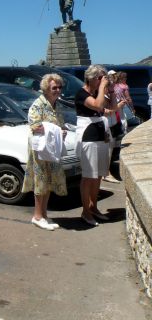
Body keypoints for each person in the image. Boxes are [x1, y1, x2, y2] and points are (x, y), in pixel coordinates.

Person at [21, 73, 68, 231]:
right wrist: (55, 130)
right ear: (46, 89)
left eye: (59, 87)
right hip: (41, 149)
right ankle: (37, 216)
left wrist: (62, 131)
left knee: (49, 181)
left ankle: (44, 214)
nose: (58, 90)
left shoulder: (57, 104)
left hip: (52, 148)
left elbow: (60, 124)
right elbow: (35, 126)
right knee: (40, 181)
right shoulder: (38, 104)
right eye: (54, 87)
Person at [75, 65, 110, 226]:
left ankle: (93, 207)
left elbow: (111, 107)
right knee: (88, 176)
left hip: (100, 136)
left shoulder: (99, 92)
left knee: (98, 175)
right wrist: (103, 87)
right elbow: (97, 105)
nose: (101, 80)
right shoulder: (82, 94)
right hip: (88, 137)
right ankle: (85, 212)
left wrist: (111, 88)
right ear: (91, 78)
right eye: (100, 78)